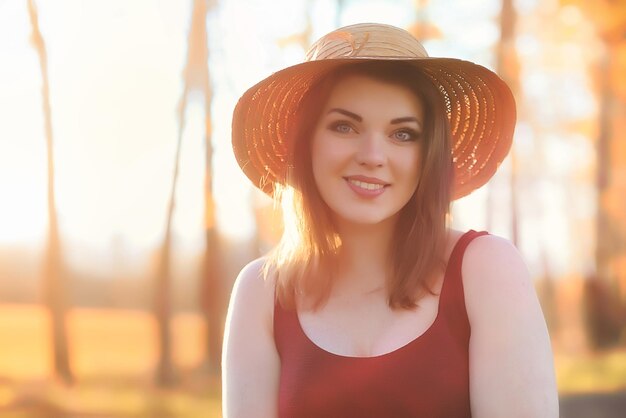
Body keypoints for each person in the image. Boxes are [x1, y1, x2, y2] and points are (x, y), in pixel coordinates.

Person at [222, 23, 558, 418]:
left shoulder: (485, 269)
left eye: (403, 134)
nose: (372, 155)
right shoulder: (262, 293)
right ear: (306, 141)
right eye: (344, 126)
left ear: (428, 154)